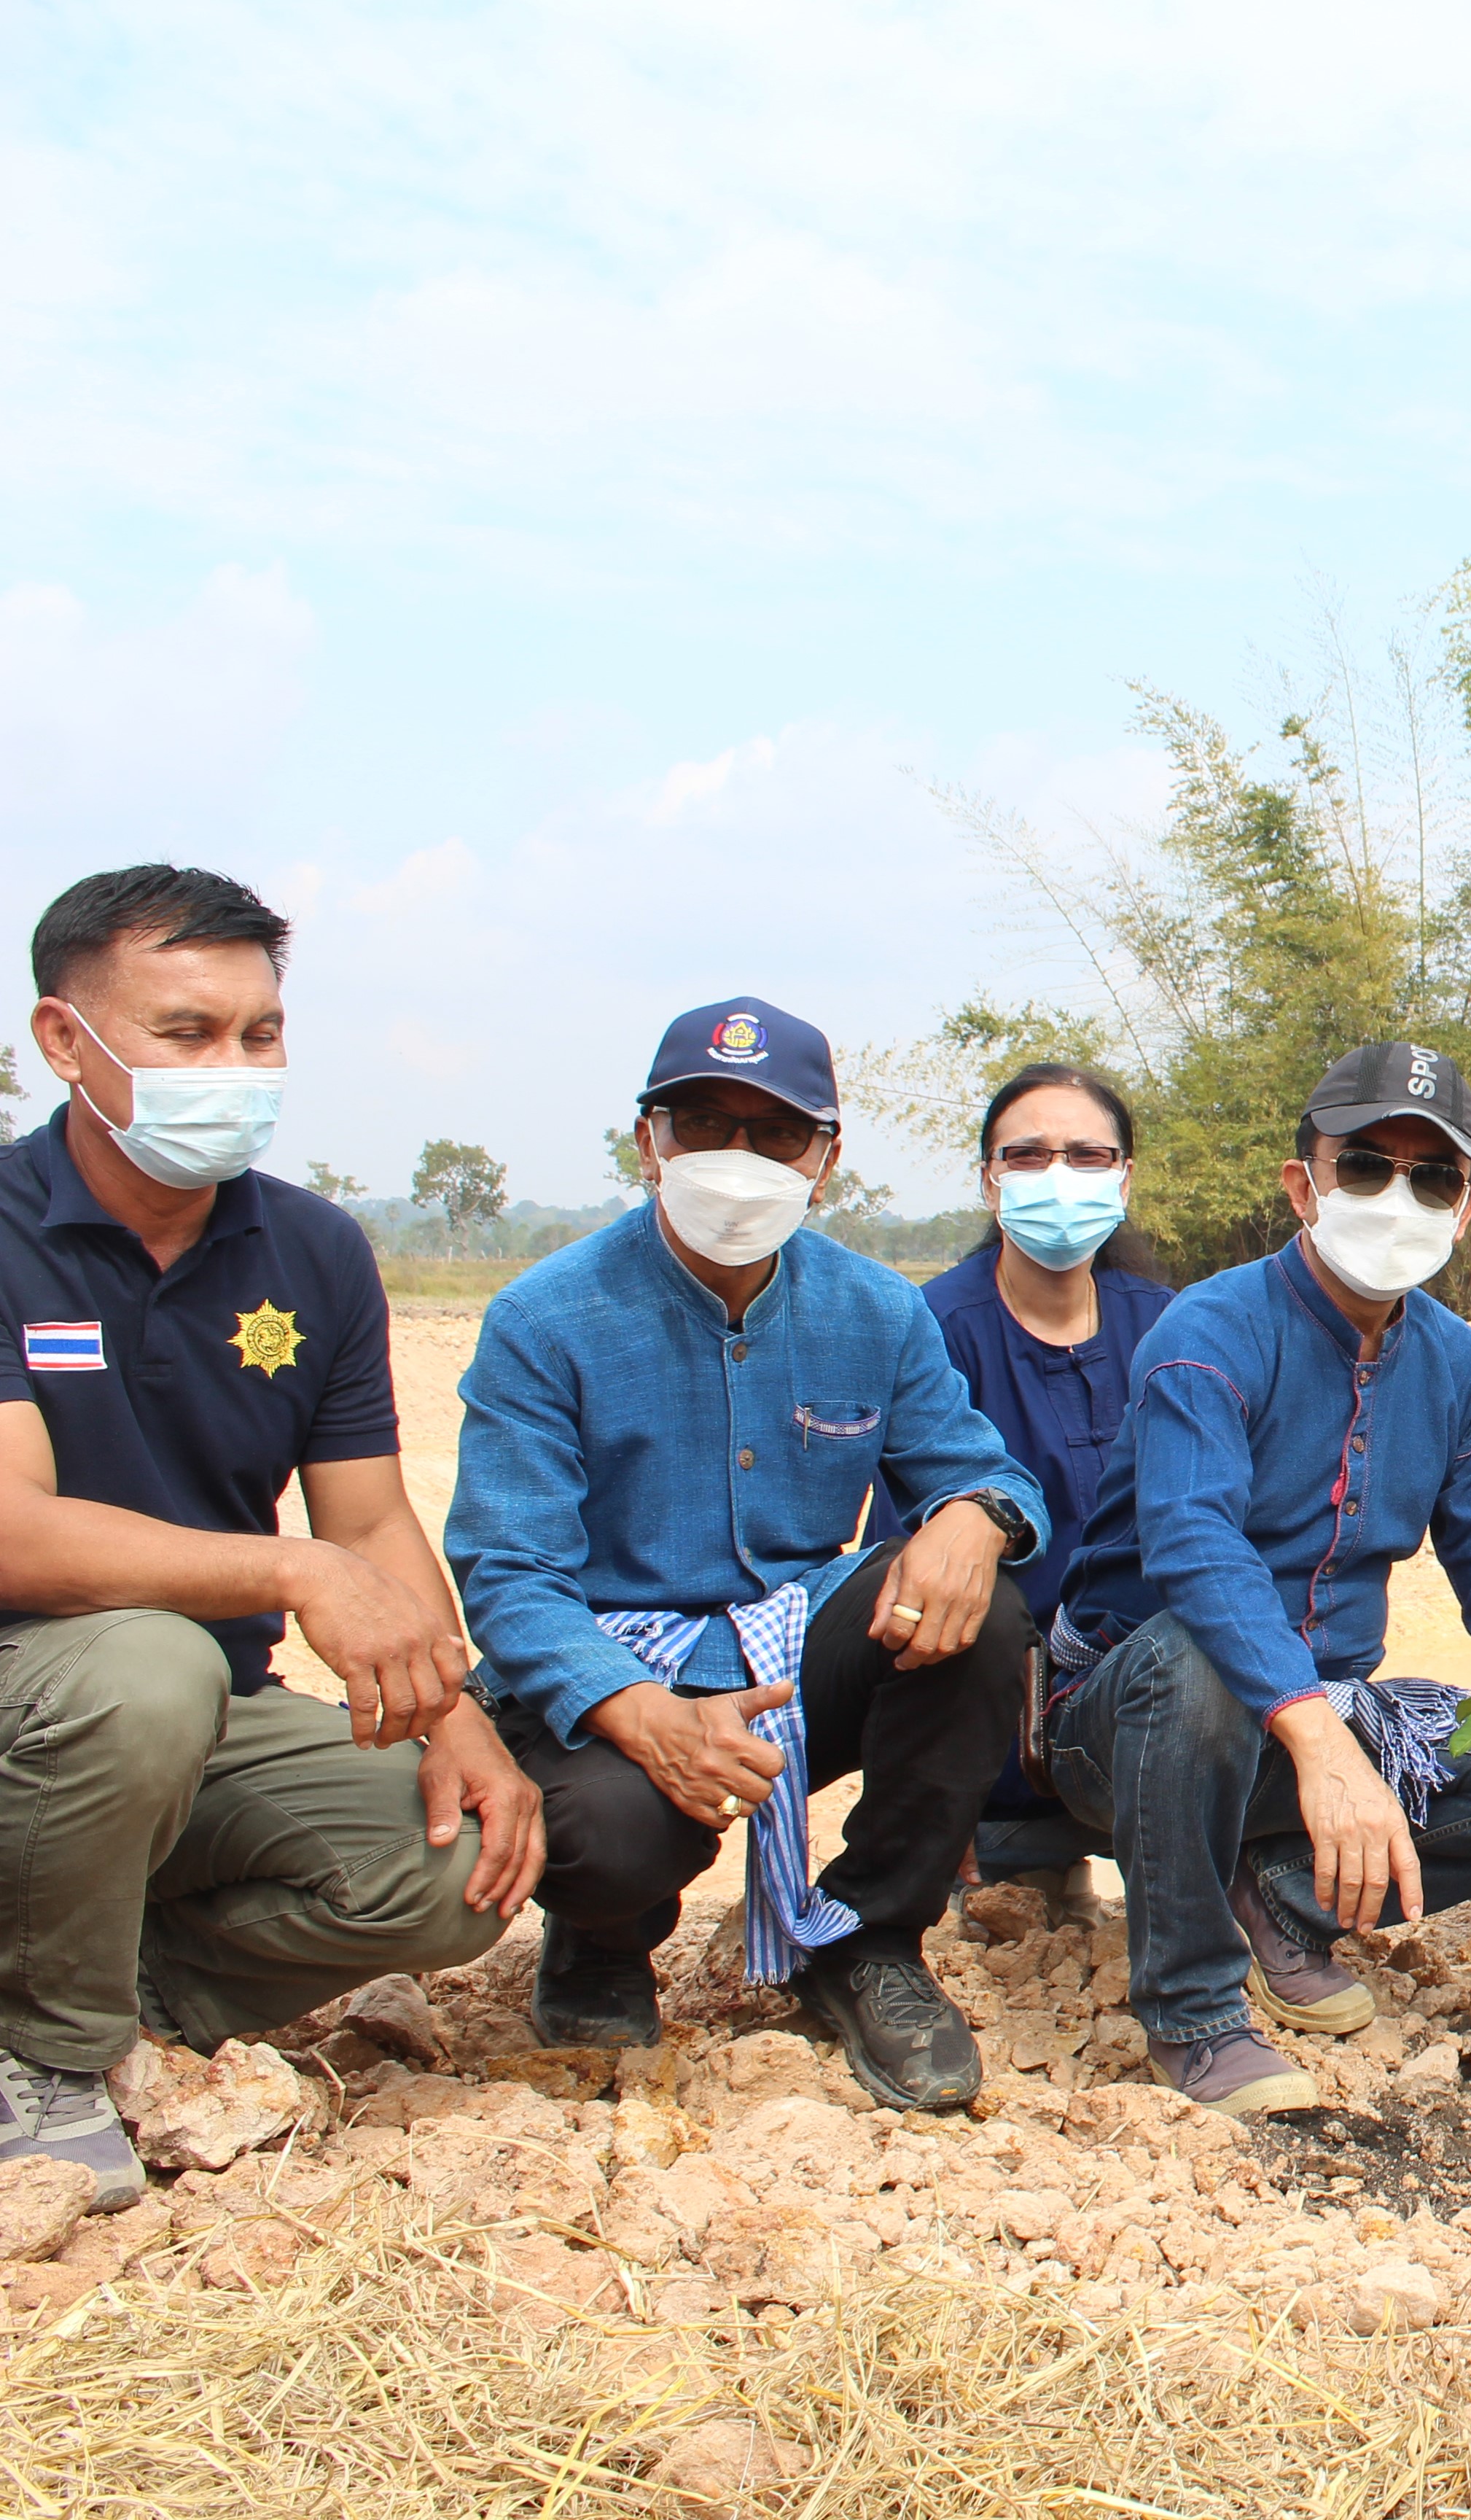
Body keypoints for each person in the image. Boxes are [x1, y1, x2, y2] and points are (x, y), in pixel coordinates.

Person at [0, 867, 535, 2212]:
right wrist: (286, 1570)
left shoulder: (312, 1250)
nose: (234, 1067)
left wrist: (451, 1716)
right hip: (49, 1701)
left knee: (462, 1864)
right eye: (187, 1034)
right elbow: (12, 1533)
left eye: (260, 1032)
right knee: (146, 1671)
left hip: (201, 1718)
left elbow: (363, 1513)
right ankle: (45, 2061)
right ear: (65, 1041)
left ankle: (119, 1989)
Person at [1045, 1043, 1471, 2118]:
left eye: (1431, 1177)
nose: (1399, 1197)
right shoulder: (1208, 1331)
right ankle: (1196, 2014)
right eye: (1365, 1167)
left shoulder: (1459, 1366)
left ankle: (1281, 1893)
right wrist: (1317, 1740)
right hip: (1135, 1725)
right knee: (1197, 1657)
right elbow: (1194, 1548)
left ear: (1467, 1208)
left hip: (1320, 1725)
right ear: (1304, 1185)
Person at [449, 999, 1050, 2112]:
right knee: (609, 1833)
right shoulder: (547, 1318)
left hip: (787, 1655)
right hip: (616, 1668)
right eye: (703, 1125)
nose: (738, 1158)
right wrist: (641, 1715)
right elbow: (508, 1573)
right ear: (649, 1143)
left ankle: (869, 1943)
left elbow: (990, 1473)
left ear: (824, 1159)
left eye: (774, 1133)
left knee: (984, 1610)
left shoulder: (877, 1310)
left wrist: (974, 1518)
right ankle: (602, 1940)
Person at [892, 1062, 1173, 1899]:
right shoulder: (928, 1330)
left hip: (1149, 1689)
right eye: (1029, 1156)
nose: (1060, 1177)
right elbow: (900, 1560)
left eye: (1089, 1156)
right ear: (991, 1182)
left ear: (1123, 1179)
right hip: (991, 1718)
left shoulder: (1174, 1325)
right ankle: (974, 1829)